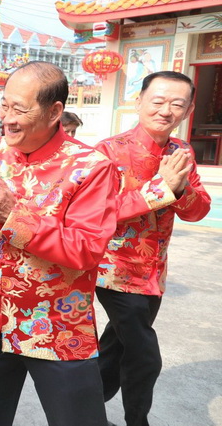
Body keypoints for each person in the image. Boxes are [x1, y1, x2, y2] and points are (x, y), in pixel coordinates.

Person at [0, 61, 119, 426]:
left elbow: (85, 250)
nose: (7, 119)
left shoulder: (91, 167)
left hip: (57, 326)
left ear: (54, 111)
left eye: (20, 109)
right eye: (5, 106)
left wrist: (13, 215)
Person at [94, 71, 211, 426]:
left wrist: (180, 188)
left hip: (154, 274)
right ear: (139, 101)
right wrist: (161, 188)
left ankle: (83, 411)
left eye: (177, 104)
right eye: (158, 101)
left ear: (188, 110)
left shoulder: (182, 152)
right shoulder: (108, 151)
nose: (166, 110)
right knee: (145, 355)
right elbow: (98, 212)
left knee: (116, 347)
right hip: (114, 271)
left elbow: (197, 210)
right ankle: (137, 421)